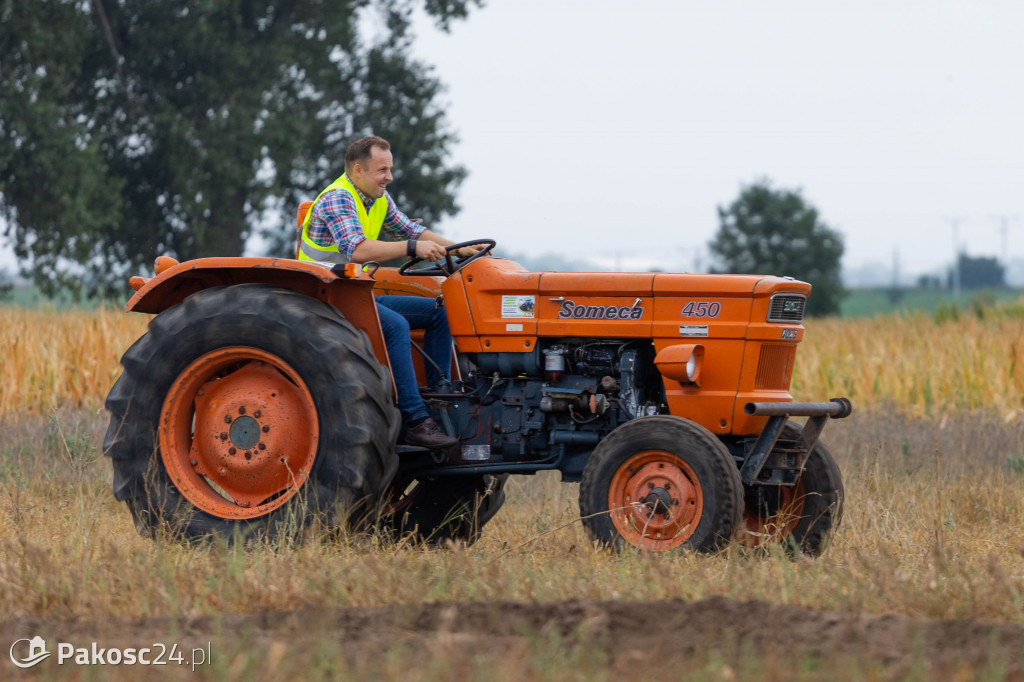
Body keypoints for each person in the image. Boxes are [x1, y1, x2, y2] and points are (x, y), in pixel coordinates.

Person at [298, 135, 484, 449]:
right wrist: (414, 248)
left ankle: (444, 402)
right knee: (395, 325)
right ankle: (415, 420)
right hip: (325, 297)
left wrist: (459, 249)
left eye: (390, 169)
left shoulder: (377, 199)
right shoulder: (338, 197)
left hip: (354, 293)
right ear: (358, 170)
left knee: (440, 311)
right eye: (382, 170)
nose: (390, 177)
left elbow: (411, 229)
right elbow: (356, 249)